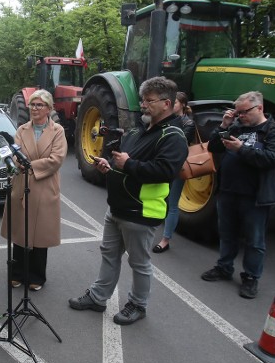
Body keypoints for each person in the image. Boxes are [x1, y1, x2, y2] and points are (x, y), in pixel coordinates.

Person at [69, 77, 188, 325]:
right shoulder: (137, 130)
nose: (143, 105)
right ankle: (98, 297)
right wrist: (109, 166)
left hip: (141, 211)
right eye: (142, 100)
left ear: (167, 103)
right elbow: (121, 160)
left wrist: (128, 164)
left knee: (139, 263)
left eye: (149, 100)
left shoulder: (173, 135)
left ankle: (138, 305)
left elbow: (165, 171)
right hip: (117, 208)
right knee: (109, 255)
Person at [200, 90, 275, 299]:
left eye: (244, 112)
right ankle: (224, 267)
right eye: (237, 112)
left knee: (254, 240)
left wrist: (241, 149)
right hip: (229, 192)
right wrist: (223, 125)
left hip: (256, 196)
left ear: (259, 108)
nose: (240, 116)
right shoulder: (237, 127)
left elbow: (272, 159)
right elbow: (213, 147)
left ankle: (250, 277)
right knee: (227, 233)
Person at [0, 89, 67, 291]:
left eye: (39, 105)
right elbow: (14, 154)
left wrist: (28, 165)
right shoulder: (22, 129)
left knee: (40, 234)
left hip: (45, 186)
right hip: (22, 185)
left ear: (49, 108)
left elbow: (56, 160)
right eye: (32, 104)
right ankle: (18, 273)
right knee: (20, 231)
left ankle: (37, 275)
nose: (34, 108)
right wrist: (17, 163)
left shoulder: (58, 131)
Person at [153, 91, 196, 253]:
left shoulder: (188, 123)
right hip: (163, 164)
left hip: (176, 167)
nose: (171, 105)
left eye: (175, 102)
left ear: (183, 105)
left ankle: (165, 239)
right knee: (160, 198)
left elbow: (177, 145)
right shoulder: (167, 119)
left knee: (172, 203)